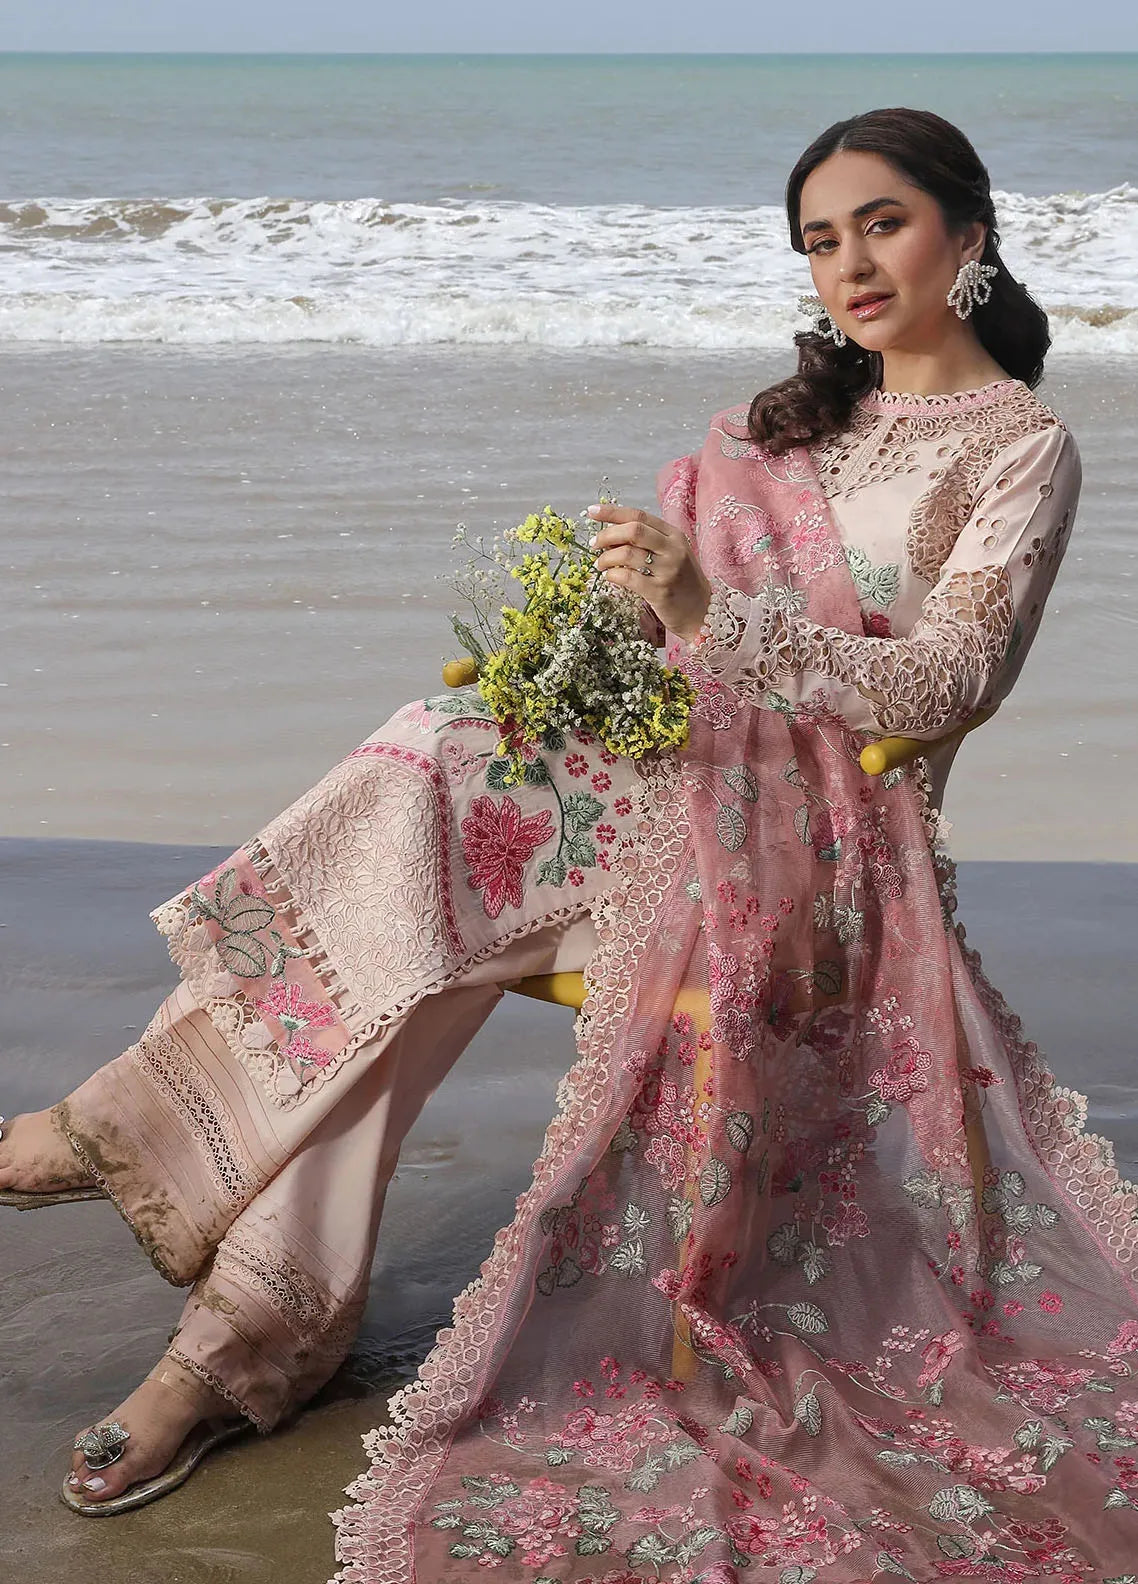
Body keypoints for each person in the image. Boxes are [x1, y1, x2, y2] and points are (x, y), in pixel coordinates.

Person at [2, 105, 1131, 1579]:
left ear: (965, 232)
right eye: (818, 241)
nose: (849, 265)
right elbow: (655, 647)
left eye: (881, 224)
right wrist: (580, 637)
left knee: (427, 813)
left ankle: (164, 1178)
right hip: (667, 781)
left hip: (828, 853)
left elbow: (944, 681)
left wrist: (704, 612)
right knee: (431, 800)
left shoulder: (1019, 448)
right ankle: (239, 1319)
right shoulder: (772, 427)